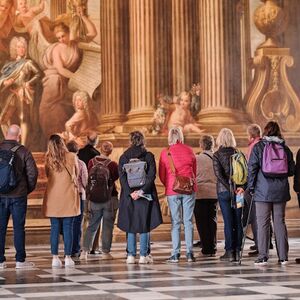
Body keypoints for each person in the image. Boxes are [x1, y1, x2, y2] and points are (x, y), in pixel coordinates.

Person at [246, 121, 294, 266]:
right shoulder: (285, 148)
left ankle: (263, 256)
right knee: (280, 222)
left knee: (263, 223)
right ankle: (283, 257)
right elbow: (291, 170)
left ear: (265, 132)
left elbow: (252, 169)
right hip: (280, 191)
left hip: (262, 191)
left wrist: (251, 187)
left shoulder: (259, 147)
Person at [118, 131, 162, 264]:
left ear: (130, 141)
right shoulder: (148, 156)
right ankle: (144, 255)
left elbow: (122, 178)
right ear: (143, 140)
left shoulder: (123, 157)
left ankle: (131, 255)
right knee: (144, 223)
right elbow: (152, 176)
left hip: (129, 195)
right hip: (145, 195)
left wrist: (130, 192)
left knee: (130, 223)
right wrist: (141, 191)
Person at [0, 124, 38, 269]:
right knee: (19, 227)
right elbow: (32, 173)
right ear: (19, 135)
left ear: (6, 133)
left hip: (0, 195)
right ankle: (20, 261)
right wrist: (26, 190)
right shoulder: (23, 151)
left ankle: (0, 261)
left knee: (0, 228)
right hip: (18, 196)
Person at [159, 126, 196, 263]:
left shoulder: (165, 152)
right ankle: (190, 253)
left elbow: (162, 174)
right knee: (188, 221)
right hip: (188, 189)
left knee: (175, 222)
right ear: (181, 136)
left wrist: (169, 185)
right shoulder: (189, 150)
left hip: (172, 190)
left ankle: (175, 254)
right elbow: (194, 170)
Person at [43, 134, 80, 268]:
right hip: (68, 195)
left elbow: (48, 175)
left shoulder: (48, 158)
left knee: (54, 228)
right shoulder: (72, 156)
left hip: (53, 197)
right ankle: (68, 257)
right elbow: (77, 174)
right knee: (68, 227)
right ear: (62, 143)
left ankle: (55, 257)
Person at [39, 22, 82, 138]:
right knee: (49, 111)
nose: (61, 39)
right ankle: (53, 139)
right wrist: (77, 78)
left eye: (63, 36)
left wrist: (82, 17)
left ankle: (62, 140)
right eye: (58, 38)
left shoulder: (74, 45)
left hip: (66, 82)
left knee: (63, 111)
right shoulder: (56, 49)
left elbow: (92, 34)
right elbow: (60, 69)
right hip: (53, 82)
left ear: (68, 33)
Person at [0, 36, 42, 147]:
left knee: (23, 118)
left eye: (23, 47)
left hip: (22, 93)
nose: (21, 49)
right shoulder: (8, 65)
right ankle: (10, 142)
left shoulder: (28, 63)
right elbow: (2, 79)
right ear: (15, 49)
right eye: (19, 47)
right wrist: (5, 82)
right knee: (2, 119)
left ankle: (22, 145)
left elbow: (39, 74)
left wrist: (28, 83)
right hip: (11, 93)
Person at [80, 141, 119, 260]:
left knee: (92, 225)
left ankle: (84, 252)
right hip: (110, 198)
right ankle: (106, 252)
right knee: (108, 226)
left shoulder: (91, 162)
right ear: (111, 151)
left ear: (100, 149)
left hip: (94, 199)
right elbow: (115, 178)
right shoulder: (113, 164)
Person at [213, 128, 243, 262]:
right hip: (239, 193)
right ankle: (238, 251)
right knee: (238, 221)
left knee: (228, 222)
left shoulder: (217, 155)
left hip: (224, 192)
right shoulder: (238, 153)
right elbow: (245, 174)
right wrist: (239, 188)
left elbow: (219, 175)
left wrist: (229, 188)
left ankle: (229, 252)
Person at [77, 131, 101, 254]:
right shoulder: (97, 155)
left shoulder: (79, 153)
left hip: (80, 190)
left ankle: (81, 246)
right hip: (94, 190)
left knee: (82, 219)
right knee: (95, 219)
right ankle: (94, 247)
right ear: (96, 141)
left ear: (87, 139)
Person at [194, 135, 218, 257]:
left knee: (202, 222)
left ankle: (206, 248)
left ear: (202, 145)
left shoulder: (197, 159)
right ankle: (213, 246)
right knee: (212, 220)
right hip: (214, 193)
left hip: (200, 193)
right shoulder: (216, 157)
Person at [66, 140, 88, 259]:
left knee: (68, 223)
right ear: (77, 150)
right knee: (78, 223)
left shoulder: (64, 162)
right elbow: (85, 181)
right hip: (80, 194)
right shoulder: (81, 163)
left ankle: (67, 249)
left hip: (67, 195)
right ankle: (75, 249)